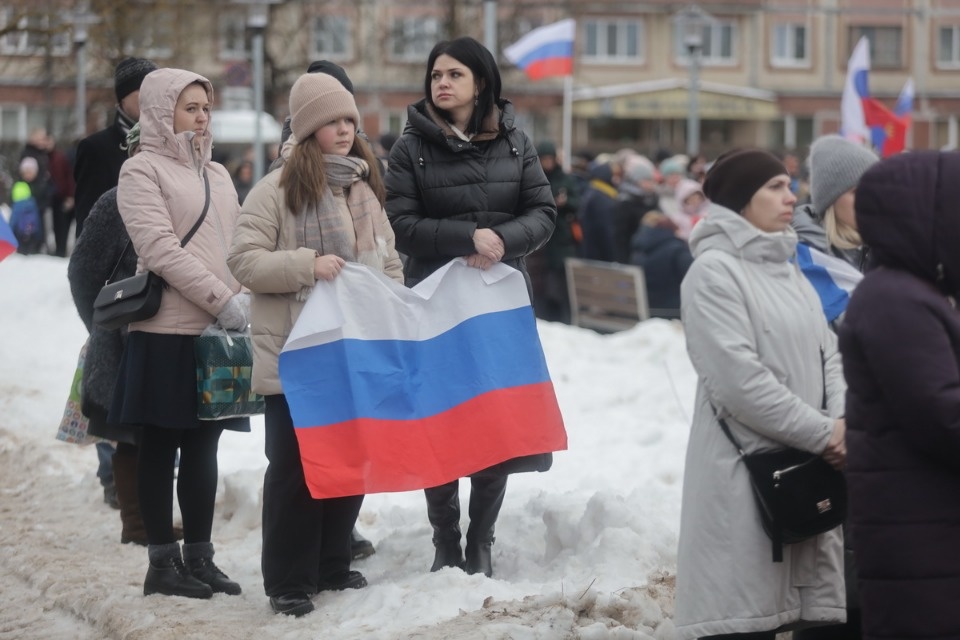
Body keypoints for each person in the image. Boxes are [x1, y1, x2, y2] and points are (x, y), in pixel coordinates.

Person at [228, 72, 402, 617]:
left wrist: (392, 303)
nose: (346, 129)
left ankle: (331, 563)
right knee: (295, 469)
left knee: (348, 461)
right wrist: (307, 266)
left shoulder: (363, 189)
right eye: (333, 120)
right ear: (308, 129)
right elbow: (242, 261)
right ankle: (288, 580)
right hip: (297, 357)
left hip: (354, 354)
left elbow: (389, 262)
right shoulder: (276, 190)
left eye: (350, 119)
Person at [384, 36, 556, 578]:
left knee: (493, 419)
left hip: (497, 303)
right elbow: (400, 226)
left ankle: (481, 538)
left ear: (480, 81)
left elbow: (543, 212)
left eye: (454, 74)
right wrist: (467, 237)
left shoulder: (515, 143)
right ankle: (444, 539)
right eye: (436, 74)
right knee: (440, 418)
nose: (442, 83)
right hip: (433, 303)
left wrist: (502, 242)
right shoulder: (408, 148)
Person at [674, 149, 848, 639]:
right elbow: (738, 384)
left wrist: (841, 420)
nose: (791, 196)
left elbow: (828, 353)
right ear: (741, 200)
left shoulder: (787, 266)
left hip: (805, 469)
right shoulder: (713, 273)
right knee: (744, 616)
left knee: (802, 607)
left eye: (789, 185)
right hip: (744, 474)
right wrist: (825, 435)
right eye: (775, 187)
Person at [110, 68, 249, 600]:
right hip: (167, 329)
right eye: (189, 107)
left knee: (204, 448)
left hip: (216, 332)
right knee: (160, 447)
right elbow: (161, 251)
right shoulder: (140, 171)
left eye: (205, 108)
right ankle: (161, 564)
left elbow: (235, 243)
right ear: (160, 112)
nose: (200, 117)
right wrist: (222, 298)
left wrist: (242, 294)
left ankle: (200, 556)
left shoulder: (217, 173)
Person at [837, 150, 960, 640]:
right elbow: (942, 414)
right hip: (919, 534)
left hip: (928, 526)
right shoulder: (896, 300)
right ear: (925, 216)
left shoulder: (916, 291)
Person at [67, 124, 182, 547]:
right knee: (133, 434)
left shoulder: (189, 193)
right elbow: (82, 271)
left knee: (163, 432)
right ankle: (137, 523)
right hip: (122, 337)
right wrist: (102, 324)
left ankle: (150, 520)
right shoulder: (114, 201)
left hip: (174, 330)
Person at [788, 137, 877, 640]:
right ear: (831, 198)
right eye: (858, 189)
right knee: (831, 578)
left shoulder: (885, 249)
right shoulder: (805, 256)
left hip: (883, 429)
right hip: (827, 428)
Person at [72, 55, 157, 509]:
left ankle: (146, 484)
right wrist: (99, 308)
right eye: (141, 89)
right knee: (110, 387)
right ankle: (113, 474)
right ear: (123, 96)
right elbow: (90, 223)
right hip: (115, 285)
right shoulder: (98, 147)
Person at [527, 140, 580, 323]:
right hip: (539, 242)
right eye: (544, 159)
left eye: (550, 159)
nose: (547, 163)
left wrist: (565, 204)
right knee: (541, 285)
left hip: (560, 239)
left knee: (559, 285)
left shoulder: (564, 179)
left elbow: (577, 203)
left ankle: (561, 317)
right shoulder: (532, 177)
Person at [628, 211, 692, 319]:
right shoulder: (677, 251)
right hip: (675, 311)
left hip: (648, 309)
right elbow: (694, 278)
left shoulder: (638, 250)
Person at [45, 134, 75, 257]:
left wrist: (70, 195)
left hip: (60, 196)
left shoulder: (60, 157)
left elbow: (68, 176)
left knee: (61, 225)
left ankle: (60, 250)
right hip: (50, 197)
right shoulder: (43, 158)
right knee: (53, 225)